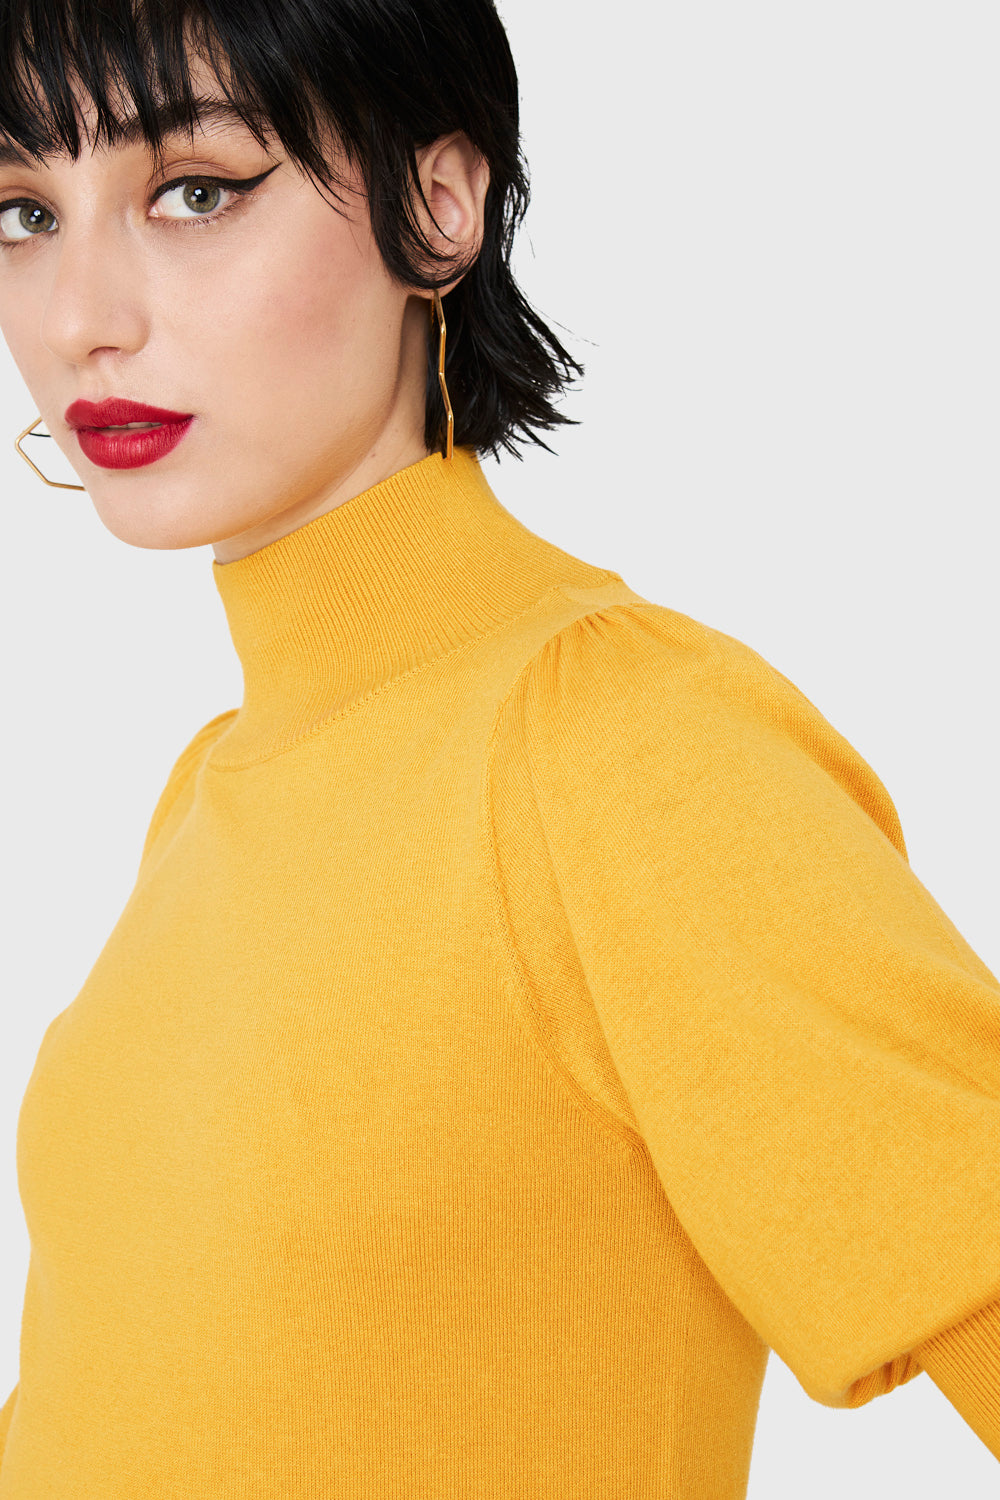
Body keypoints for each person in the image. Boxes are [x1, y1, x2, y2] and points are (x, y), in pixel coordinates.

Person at [0, 0, 997, 1494]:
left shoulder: (611, 738)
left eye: (195, 190)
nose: (80, 315)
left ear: (438, 204)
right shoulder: (208, 792)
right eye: (23, 211)